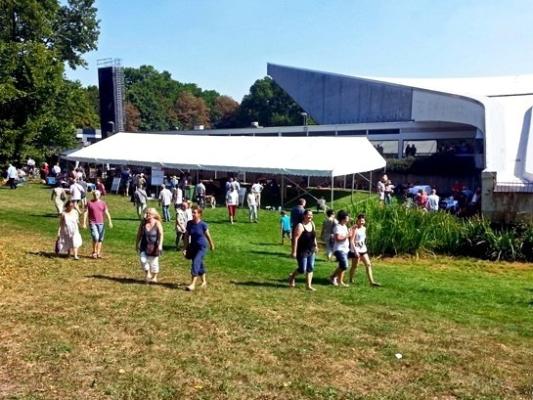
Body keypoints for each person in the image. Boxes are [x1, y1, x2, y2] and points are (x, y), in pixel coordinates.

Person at [183, 206, 215, 291]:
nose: (192, 214)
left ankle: (192, 284)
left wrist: (211, 244)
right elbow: (186, 236)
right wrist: (185, 248)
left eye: (194, 212)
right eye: (192, 212)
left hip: (202, 247)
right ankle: (204, 281)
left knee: (195, 263)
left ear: (199, 214)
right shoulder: (189, 223)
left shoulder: (203, 225)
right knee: (199, 263)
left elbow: (208, 235)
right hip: (193, 247)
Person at [289, 209, 318, 291]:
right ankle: (292, 276)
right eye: (308, 215)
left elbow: (314, 236)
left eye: (311, 215)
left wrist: (316, 245)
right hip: (302, 250)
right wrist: (294, 251)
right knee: (302, 269)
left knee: (310, 267)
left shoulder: (312, 224)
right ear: (304, 216)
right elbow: (295, 239)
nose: (310, 216)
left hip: (311, 249)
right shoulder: (300, 226)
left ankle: (308, 286)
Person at [349, 214, 380, 286]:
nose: (362, 222)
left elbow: (363, 239)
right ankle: (351, 279)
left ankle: (372, 282)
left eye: (363, 220)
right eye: (360, 221)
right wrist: (356, 251)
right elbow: (352, 240)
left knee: (368, 264)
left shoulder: (364, 228)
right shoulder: (355, 229)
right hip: (355, 250)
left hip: (363, 249)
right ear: (357, 221)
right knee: (355, 266)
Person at [135, 208, 164, 283]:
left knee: (154, 262)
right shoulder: (143, 223)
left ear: (154, 215)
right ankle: (148, 273)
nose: (147, 215)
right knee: (143, 260)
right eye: (147, 213)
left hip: (154, 246)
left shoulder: (157, 223)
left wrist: (160, 245)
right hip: (144, 246)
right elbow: (139, 234)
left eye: (149, 213)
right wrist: (136, 244)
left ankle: (154, 277)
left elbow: (161, 234)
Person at [83, 190, 113, 258]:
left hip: (101, 223)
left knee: (100, 239)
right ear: (93, 194)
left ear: (99, 195)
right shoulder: (89, 203)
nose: (96, 195)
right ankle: (94, 251)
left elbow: (107, 212)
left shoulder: (103, 203)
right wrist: (84, 223)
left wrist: (110, 221)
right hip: (92, 222)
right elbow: (85, 213)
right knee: (95, 237)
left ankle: (98, 253)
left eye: (97, 194)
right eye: (95, 194)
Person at [329, 210, 350, 287]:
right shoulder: (337, 227)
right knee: (344, 265)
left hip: (345, 249)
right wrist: (347, 236)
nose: (349, 218)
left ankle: (340, 281)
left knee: (342, 265)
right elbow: (338, 238)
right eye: (347, 216)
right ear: (343, 218)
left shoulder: (344, 226)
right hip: (339, 249)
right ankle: (332, 277)